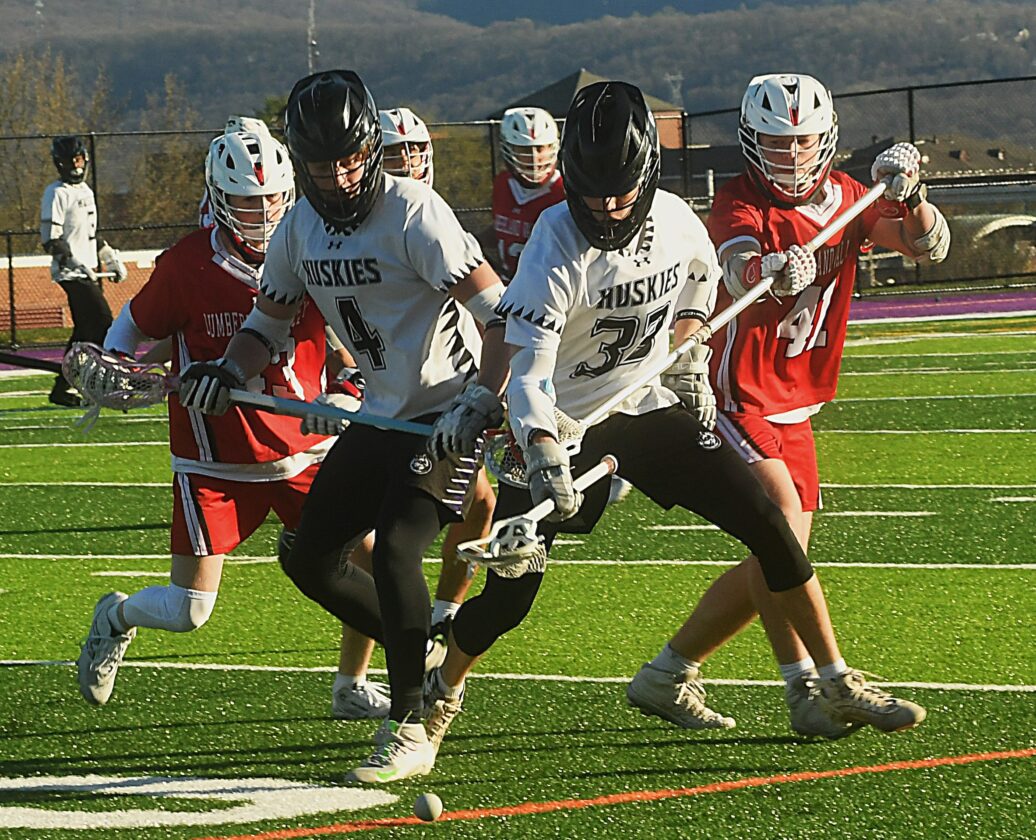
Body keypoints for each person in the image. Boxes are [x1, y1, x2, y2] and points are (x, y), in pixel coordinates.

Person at [423, 80, 925, 761]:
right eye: (592, 192)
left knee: (770, 526)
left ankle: (833, 680)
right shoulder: (554, 243)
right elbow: (531, 371)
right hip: (561, 423)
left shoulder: (674, 219)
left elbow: (699, 283)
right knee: (510, 597)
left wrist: (688, 356)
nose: (607, 207)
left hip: (644, 406)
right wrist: (542, 453)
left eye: (620, 191)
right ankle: (438, 694)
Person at [177, 69, 508, 784]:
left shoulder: (413, 212)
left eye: (351, 159)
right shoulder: (298, 227)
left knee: (396, 549)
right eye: (322, 163)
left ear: (372, 150)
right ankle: (418, 649)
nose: (339, 176)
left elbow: (501, 316)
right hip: (382, 411)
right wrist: (227, 371)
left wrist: (484, 399)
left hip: (445, 411)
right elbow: (266, 325)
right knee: (309, 556)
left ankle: (411, 724)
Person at [635, 72, 949, 738]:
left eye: (804, 140)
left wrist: (914, 194)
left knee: (778, 555)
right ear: (752, 143)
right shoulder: (738, 200)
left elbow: (926, 247)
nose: (793, 153)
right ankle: (810, 687)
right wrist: (770, 270)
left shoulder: (849, 196)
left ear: (825, 138)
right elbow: (737, 263)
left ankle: (668, 670)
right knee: (779, 536)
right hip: (736, 391)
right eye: (778, 142)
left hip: (796, 398)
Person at [74, 125, 344, 707]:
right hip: (215, 458)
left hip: (306, 450)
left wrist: (348, 390)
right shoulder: (189, 264)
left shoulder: (315, 246)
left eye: (273, 198)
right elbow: (131, 328)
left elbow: (355, 341)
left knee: (369, 564)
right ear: (219, 198)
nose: (263, 213)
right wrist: (118, 366)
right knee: (189, 610)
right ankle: (116, 618)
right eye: (248, 201)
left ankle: (365, 684)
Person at [327, 106, 498, 721]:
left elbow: (489, 312)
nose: (408, 162)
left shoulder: (426, 215)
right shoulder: (374, 220)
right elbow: (329, 313)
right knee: (381, 547)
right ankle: (388, 664)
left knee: (474, 507)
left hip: (445, 397)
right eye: (395, 152)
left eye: (416, 150)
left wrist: (491, 387)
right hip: (392, 404)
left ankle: (432, 623)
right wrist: (342, 377)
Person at [41, 135, 127, 407]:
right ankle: (98, 380)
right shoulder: (56, 193)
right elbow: (51, 239)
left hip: (87, 270)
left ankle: (63, 386)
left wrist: (109, 258)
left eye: (78, 160)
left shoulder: (86, 191)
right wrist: (73, 261)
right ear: (60, 163)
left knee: (84, 331)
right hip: (71, 274)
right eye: (70, 161)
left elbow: (91, 235)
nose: (76, 166)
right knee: (103, 321)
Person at [482, 106, 565, 282]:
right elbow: (501, 231)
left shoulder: (565, 192)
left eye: (540, 148)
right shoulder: (504, 183)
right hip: (506, 284)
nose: (534, 158)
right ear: (509, 149)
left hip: (550, 287)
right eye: (525, 150)